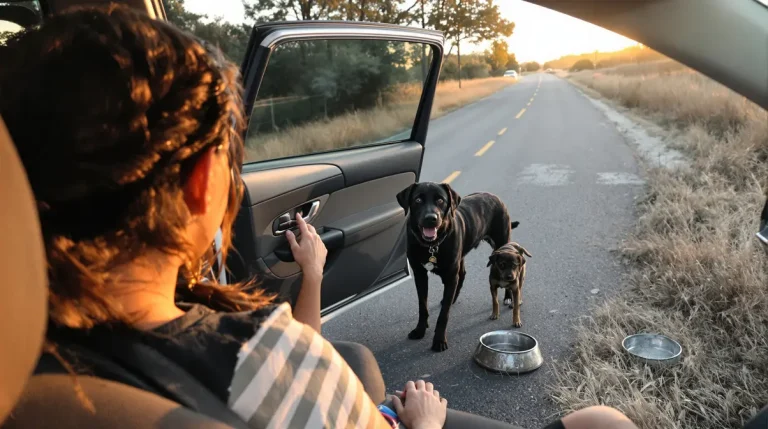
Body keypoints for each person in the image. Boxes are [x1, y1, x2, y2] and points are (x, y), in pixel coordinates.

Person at [0, 5, 638, 429]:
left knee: (357, 355)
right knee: (603, 422)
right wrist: (423, 424)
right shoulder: (269, 362)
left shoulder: (27, 351)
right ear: (201, 185)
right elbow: (290, 365)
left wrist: (312, 275)